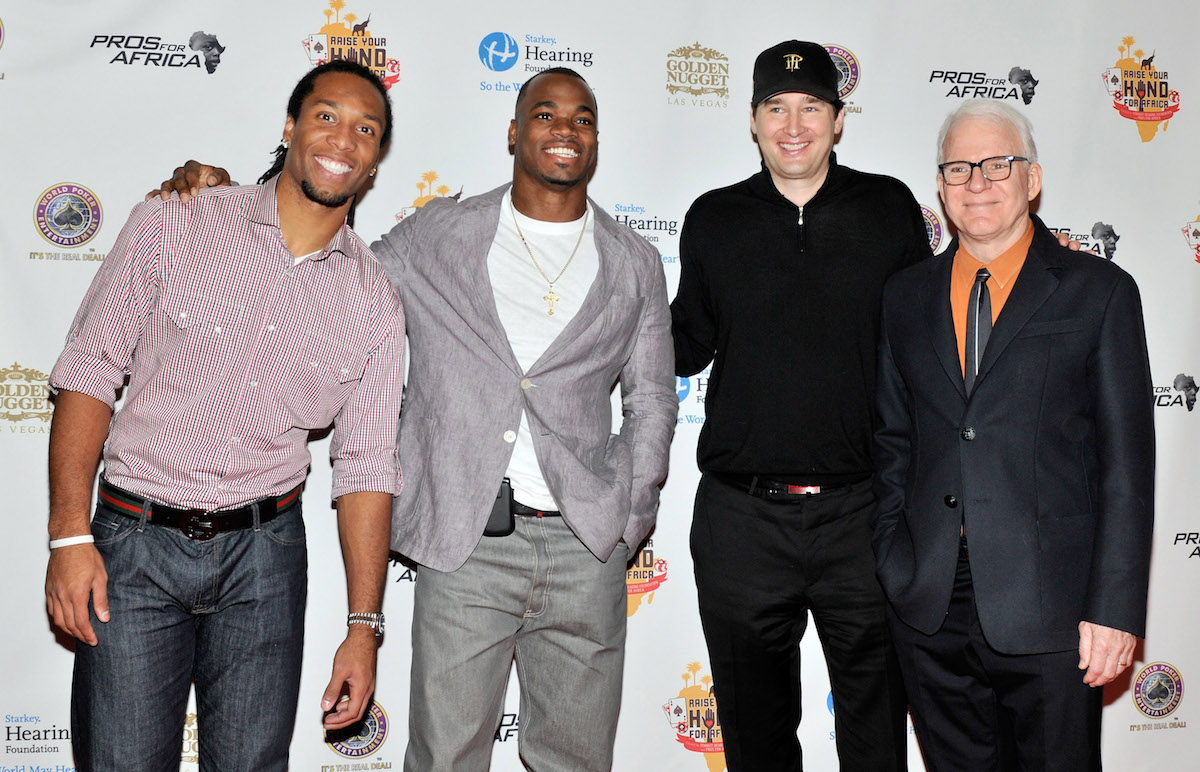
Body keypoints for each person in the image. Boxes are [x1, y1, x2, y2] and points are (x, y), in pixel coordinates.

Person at [160, 66, 676, 771]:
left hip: (586, 548)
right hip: (467, 545)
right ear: (514, 132)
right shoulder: (439, 235)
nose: (564, 129)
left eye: (582, 118)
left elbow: (650, 399)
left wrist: (628, 517)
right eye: (546, 114)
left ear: (596, 139)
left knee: (576, 762)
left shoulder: (636, 261)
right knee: (445, 757)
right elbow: (333, 269)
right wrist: (230, 196)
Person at [46, 59, 403, 771]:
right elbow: (89, 373)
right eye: (327, 115)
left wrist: (364, 628)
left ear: (374, 163)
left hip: (265, 560)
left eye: (366, 129)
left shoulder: (376, 303)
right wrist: (67, 536)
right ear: (291, 127)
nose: (343, 138)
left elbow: (366, 466)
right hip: (133, 547)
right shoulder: (176, 221)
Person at [873, 100, 1155, 770]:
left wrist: (1114, 608)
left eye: (998, 164)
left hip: (1056, 610)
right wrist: (894, 561)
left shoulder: (1100, 291)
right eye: (959, 168)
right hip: (930, 607)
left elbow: (1126, 465)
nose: (978, 182)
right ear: (939, 187)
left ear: (1032, 180)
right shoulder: (904, 296)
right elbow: (892, 440)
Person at [670, 40, 927, 770]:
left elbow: (924, 351)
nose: (794, 125)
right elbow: (685, 341)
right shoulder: (714, 219)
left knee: (877, 740)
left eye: (811, 107)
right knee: (755, 743)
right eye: (776, 108)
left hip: (865, 517)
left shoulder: (888, 210)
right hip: (743, 524)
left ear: (838, 120)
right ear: (752, 120)